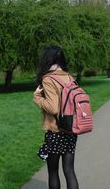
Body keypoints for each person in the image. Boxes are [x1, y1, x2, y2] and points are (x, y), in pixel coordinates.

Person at [33, 45, 79, 189]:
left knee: (53, 172)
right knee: (69, 171)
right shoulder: (69, 76)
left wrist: (37, 98)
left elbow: (53, 107)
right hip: (71, 129)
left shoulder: (48, 79)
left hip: (56, 130)